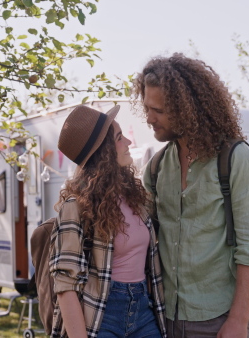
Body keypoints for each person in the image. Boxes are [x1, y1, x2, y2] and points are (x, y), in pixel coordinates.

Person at [133, 53, 249, 338]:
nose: (148, 118)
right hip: (165, 316)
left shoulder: (237, 158)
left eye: (157, 110)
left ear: (186, 108)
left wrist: (237, 321)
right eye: (147, 108)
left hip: (219, 319)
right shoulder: (157, 167)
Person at [49, 105, 167, 338]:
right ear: (104, 151)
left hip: (143, 310)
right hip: (101, 314)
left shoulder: (136, 197)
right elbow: (65, 285)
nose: (129, 143)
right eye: (119, 138)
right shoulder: (76, 206)